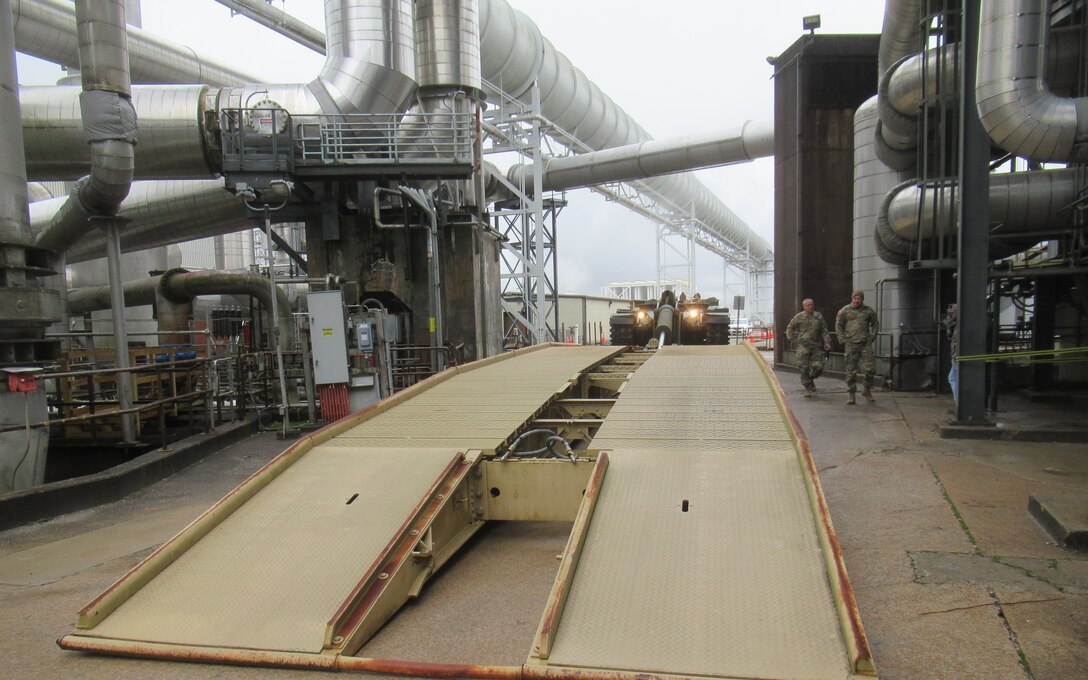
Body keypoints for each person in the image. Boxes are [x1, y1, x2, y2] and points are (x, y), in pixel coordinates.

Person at [835, 290, 879, 405]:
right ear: (852, 298)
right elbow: (838, 325)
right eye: (855, 298)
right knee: (851, 370)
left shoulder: (868, 310)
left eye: (859, 298)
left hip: (865, 344)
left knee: (870, 369)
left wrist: (872, 336)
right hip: (851, 344)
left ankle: (867, 390)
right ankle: (851, 394)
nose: (856, 300)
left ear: (862, 299)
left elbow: (875, 323)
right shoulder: (845, 311)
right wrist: (842, 339)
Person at [785, 298, 831, 397]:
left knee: (818, 366)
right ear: (804, 306)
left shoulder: (818, 316)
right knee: (803, 367)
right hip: (803, 345)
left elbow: (824, 330)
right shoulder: (799, 317)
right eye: (808, 305)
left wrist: (827, 341)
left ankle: (810, 379)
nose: (811, 307)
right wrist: (793, 340)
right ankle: (807, 387)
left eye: (812, 305)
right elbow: (790, 328)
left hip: (815, 345)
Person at [946, 303, 959, 406]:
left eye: (952, 313)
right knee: (952, 378)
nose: (950, 316)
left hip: (957, 357)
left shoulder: (960, 328)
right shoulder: (957, 326)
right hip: (955, 356)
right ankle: (957, 401)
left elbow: (956, 343)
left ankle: (959, 402)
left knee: (955, 378)